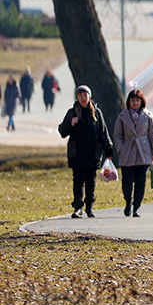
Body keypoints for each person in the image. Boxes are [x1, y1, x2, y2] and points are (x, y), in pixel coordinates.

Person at [58, 85, 113, 219]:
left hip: (93, 154)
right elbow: (62, 132)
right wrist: (70, 124)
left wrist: (109, 150)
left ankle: (89, 207)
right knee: (78, 181)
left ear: (89, 96)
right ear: (77, 97)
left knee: (91, 181)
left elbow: (103, 132)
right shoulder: (72, 112)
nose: (83, 97)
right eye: (80, 95)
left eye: (85, 95)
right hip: (77, 153)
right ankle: (78, 208)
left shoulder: (97, 113)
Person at [113, 90, 153, 217]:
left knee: (141, 181)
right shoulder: (122, 116)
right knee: (127, 181)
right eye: (132, 100)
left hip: (143, 152)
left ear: (141, 101)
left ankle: (137, 207)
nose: (135, 103)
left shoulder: (148, 115)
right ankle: (128, 201)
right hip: (127, 151)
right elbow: (117, 134)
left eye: (137, 100)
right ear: (129, 101)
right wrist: (120, 149)